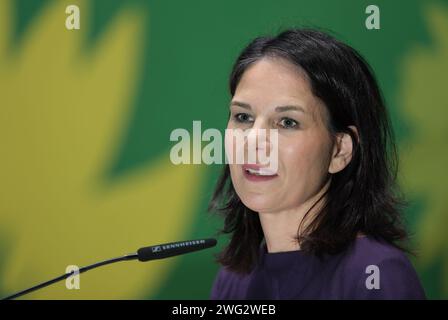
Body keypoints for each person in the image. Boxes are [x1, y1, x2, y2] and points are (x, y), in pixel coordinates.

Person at [208, 28, 426, 299]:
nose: (253, 141)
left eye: (287, 122)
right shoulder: (233, 280)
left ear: (339, 150)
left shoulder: (377, 274)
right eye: (243, 117)